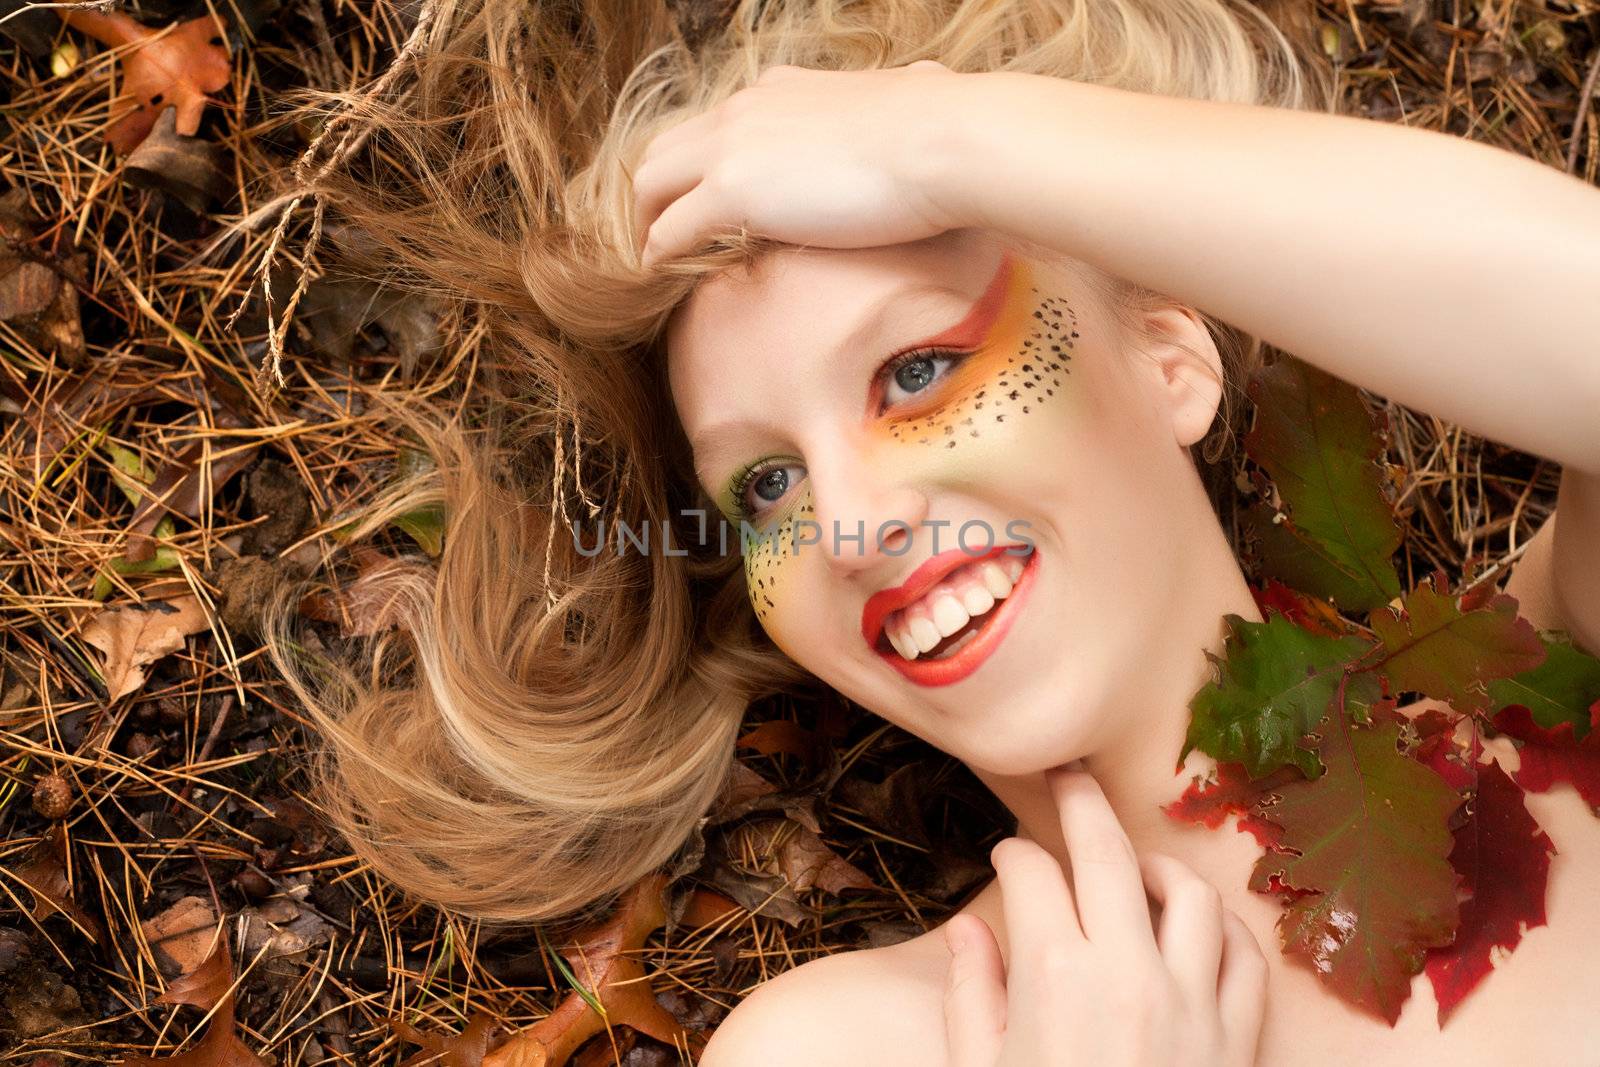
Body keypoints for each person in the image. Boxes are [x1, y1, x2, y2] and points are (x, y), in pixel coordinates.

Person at [263, 0, 1600, 1064]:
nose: (843, 526)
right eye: (766, 488)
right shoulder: (866, 1047)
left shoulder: (1547, 688)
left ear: (1168, 355)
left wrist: (945, 141)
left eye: (913, 374)